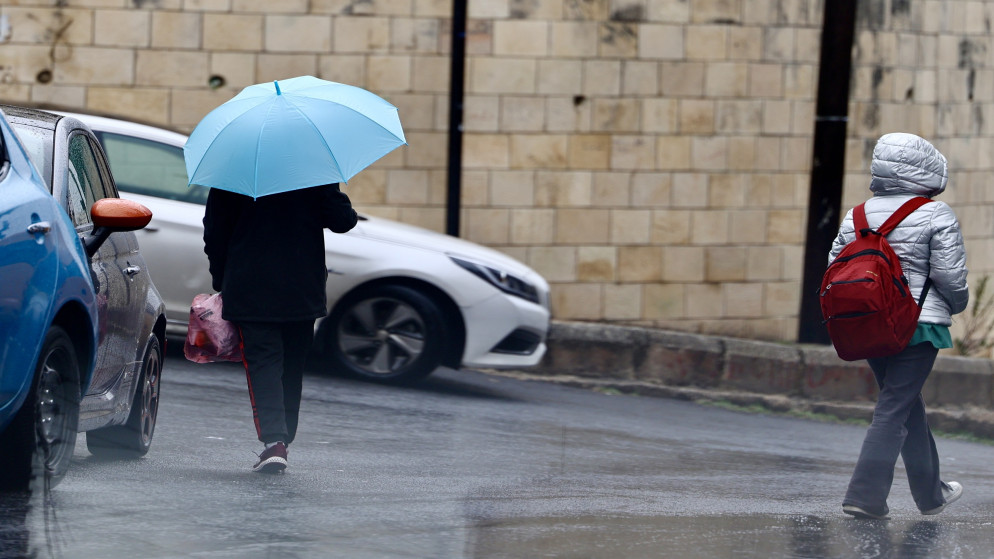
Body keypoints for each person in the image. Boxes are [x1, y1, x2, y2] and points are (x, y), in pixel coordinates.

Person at [829, 132, 969, 519]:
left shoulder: (857, 214)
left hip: (869, 325)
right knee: (894, 406)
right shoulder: (936, 213)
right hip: (918, 326)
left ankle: (931, 495)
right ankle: (864, 495)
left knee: (905, 405)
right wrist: (957, 306)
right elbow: (950, 277)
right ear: (926, 168)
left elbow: (834, 269)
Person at [203, 183, 357, 473]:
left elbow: (215, 232)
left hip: (251, 286)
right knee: (291, 364)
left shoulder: (235, 171)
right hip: (302, 288)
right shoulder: (313, 172)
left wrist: (222, 280)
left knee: (264, 362)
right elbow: (342, 221)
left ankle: (275, 441)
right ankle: (282, 438)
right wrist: (330, 186)